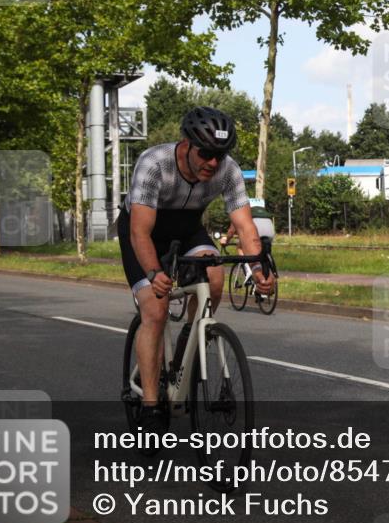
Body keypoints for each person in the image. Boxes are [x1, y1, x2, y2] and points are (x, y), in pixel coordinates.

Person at [117, 106, 275, 433]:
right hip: (143, 230)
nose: (213, 163)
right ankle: (149, 408)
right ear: (186, 144)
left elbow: (245, 227)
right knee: (156, 309)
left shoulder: (226, 170)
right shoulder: (154, 163)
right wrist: (152, 273)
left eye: (220, 155)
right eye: (206, 153)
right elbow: (140, 233)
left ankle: (193, 332)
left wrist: (259, 267)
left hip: (187, 228)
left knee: (214, 275)